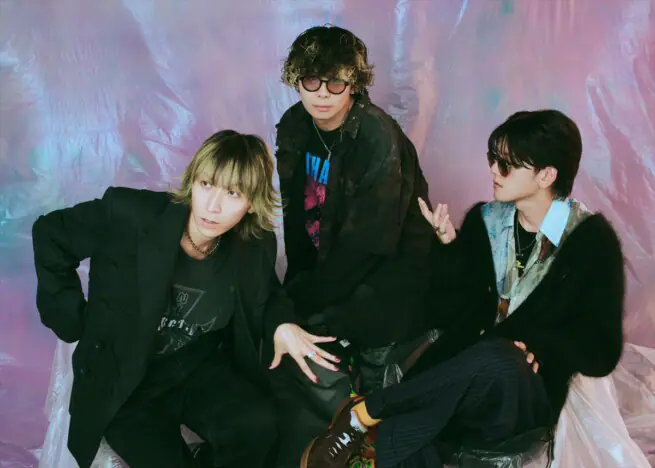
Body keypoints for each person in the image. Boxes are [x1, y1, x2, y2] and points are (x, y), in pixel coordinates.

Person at [300, 109, 626, 467]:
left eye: (506, 165)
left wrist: (540, 346)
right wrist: (448, 248)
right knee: (431, 430)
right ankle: (374, 443)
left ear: (546, 175)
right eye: (492, 159)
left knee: (501, 359)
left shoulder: (590, 241)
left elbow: (603, 350)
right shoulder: (486, 221)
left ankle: (367, 412)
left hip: (524, 391)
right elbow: (449, 309)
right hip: (460, 377)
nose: (493, 171)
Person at [31, 130, 339, 468]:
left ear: (252, 202)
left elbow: (268, 292)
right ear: (193, 181)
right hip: (127, 381)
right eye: (206, 184)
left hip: (194, 369)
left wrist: (282, 324)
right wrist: (73, 320)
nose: (213, 206)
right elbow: (50, 234)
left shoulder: (252, 244)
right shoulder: (131, 214)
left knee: (258, 426)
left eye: (233, 193)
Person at [270, 24, 434, 466]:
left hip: (386, 272)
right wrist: (295, 289)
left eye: (336, 82)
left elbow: (370, 243)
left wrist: (310, 298)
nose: (323, 94)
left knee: (365, 371)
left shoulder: (375, 136)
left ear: (355, 84)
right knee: (287, 341)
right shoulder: (294, 125)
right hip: (329, 267)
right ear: (296, 80)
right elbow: (296, 218)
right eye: (311, 81)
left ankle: (361, 436)